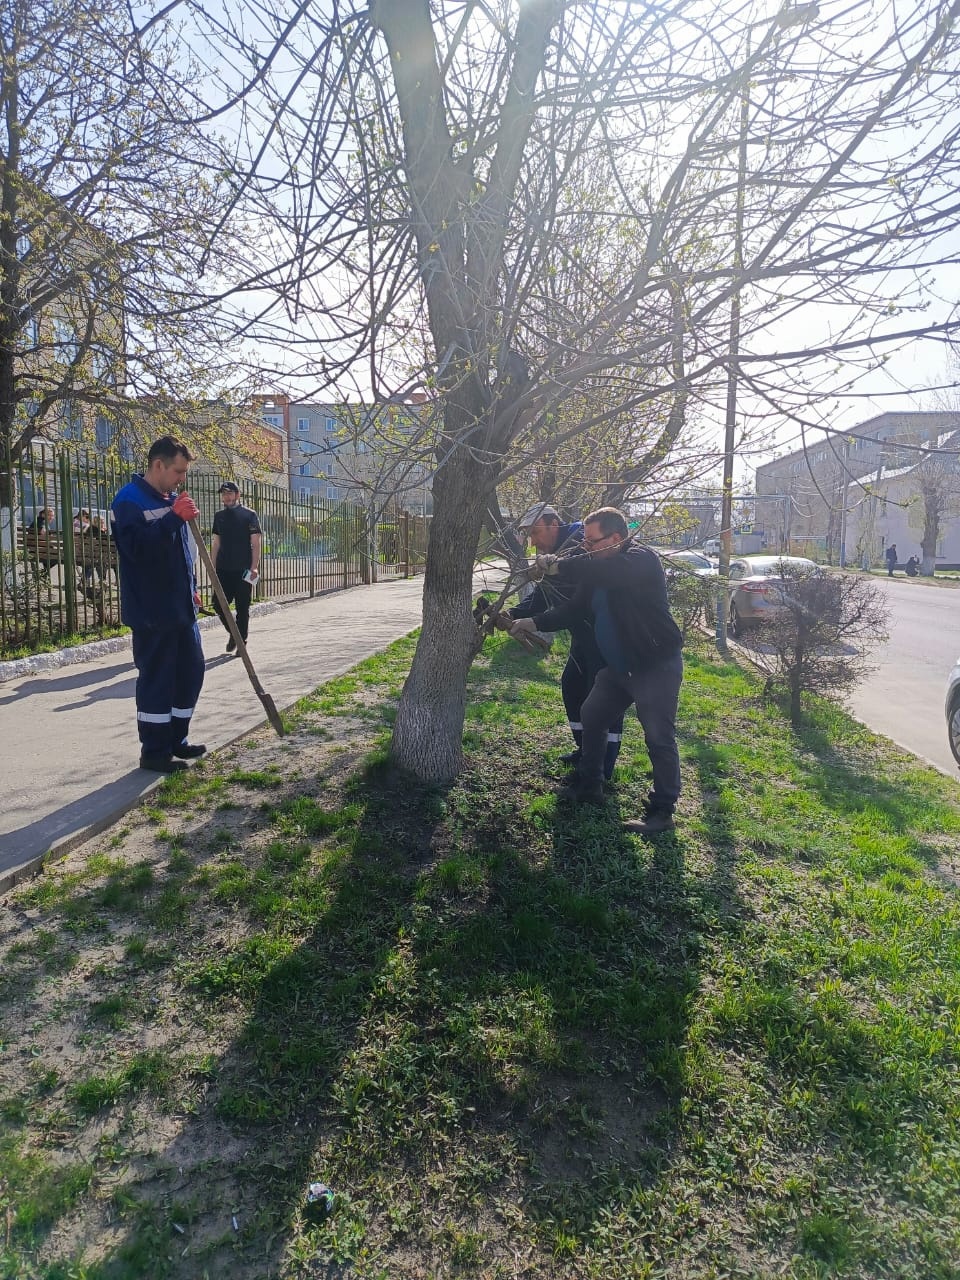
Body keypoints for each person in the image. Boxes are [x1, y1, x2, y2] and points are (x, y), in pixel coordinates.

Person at [510, 506, 684, 836]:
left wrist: (556, 566)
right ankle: (591, 785)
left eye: (591, 541)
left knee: (659, 738)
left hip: (654, 665)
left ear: (615, 538)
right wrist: (533, 621)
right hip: (619, 668)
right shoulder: (600, 565)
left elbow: (600, 573)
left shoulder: (639, 560)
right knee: (592, 714)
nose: (584, 547)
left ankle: (662, 812)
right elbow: (575, 609)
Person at [506, 504, 624, 780]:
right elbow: (543, 594)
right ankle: (584, 751)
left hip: (604, 637)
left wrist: (535, 621)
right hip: (582, 636)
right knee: (573, 688)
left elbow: (575, 602)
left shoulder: (580, 545)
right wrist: (513, 613)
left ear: (553, 524)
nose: (533, 541)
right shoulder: (555, 553)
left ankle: (603, 767)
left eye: (536, 532)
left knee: (605, 701)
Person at [111, 436, 206, 773]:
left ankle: (176, 740)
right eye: (178, 471)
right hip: (153, 612)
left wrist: (192, 588)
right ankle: (154, 753)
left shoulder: (170, 498)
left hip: (181, 608)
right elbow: (136, 552)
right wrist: (173, 519)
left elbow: (179, 554)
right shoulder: (129, 502)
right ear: (158, 465)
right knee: (157, 681)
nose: (182, 478)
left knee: (190, 674)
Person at [211, 481, 262, 653]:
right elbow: (216, 543)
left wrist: (254, 567)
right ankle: (235, 635)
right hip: (223, 569)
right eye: (224, 494)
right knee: (218, 604)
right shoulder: (219, 516)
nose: (226, 497)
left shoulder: (249, 515)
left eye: (230, 493)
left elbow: (256, 543)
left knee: (242, 607)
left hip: (243, 569)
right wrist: (212, 567)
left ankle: (242, 641)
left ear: (237, 495)